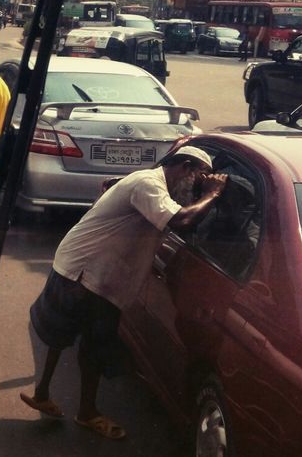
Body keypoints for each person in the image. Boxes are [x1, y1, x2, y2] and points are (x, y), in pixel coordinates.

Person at [20, 146, 228, 440]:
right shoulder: (148, 185)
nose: (196, 184)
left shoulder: (148, 183)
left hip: (89, 268)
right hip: (87, 269)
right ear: (184, 167)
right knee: (78, 338)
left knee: (69, 334)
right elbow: (181, 220)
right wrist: (213, 194)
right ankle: (82, 410)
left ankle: (50, 396)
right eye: (197, 176)